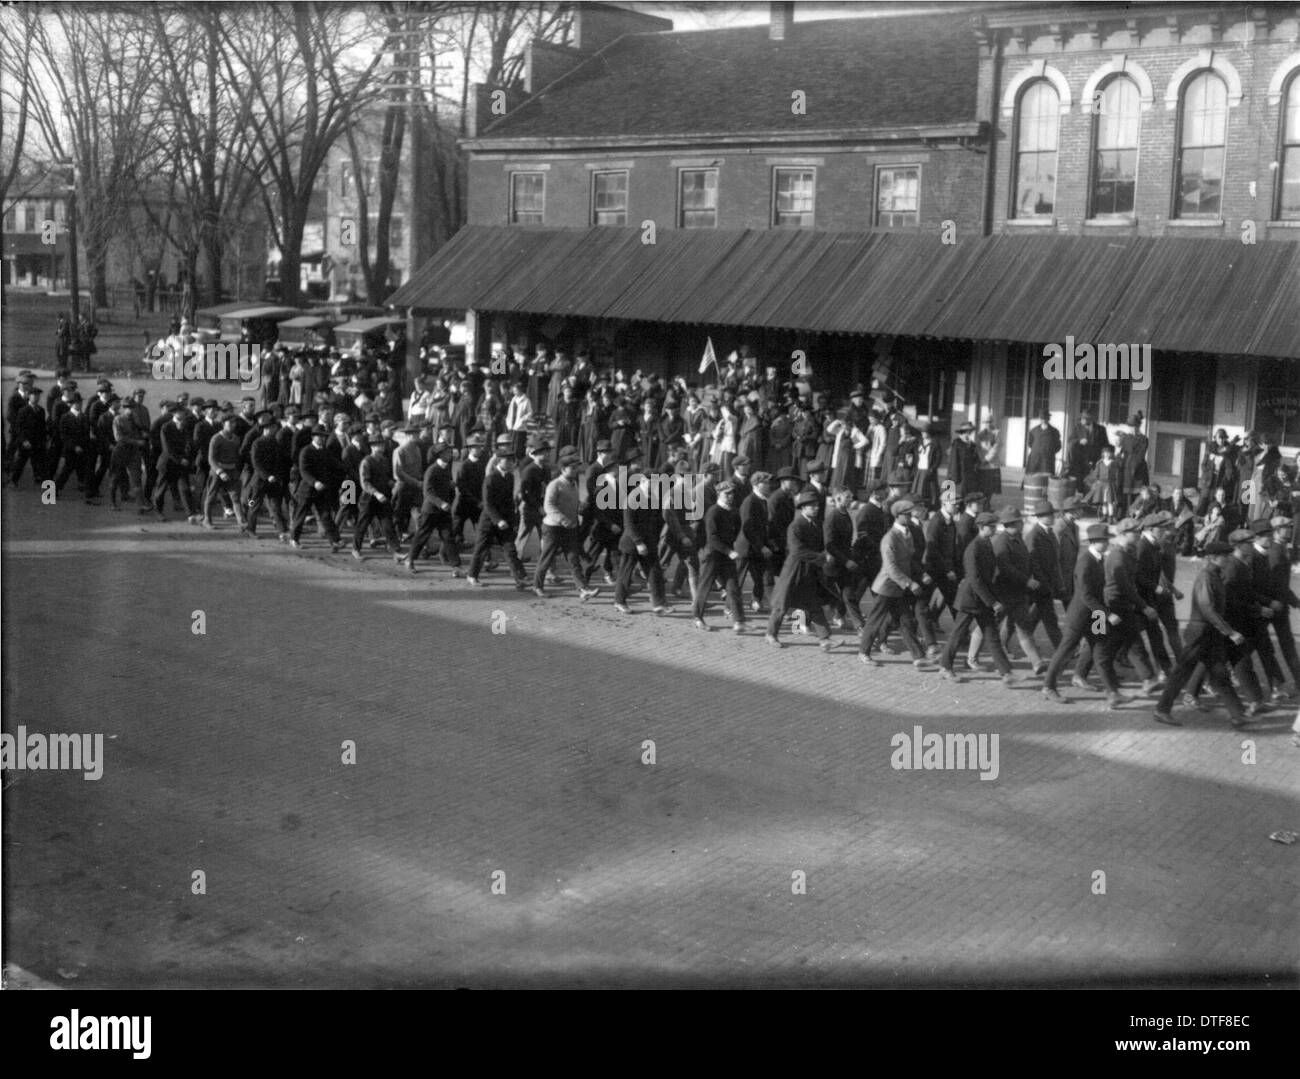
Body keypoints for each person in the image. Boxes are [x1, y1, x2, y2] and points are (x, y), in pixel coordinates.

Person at [1152, 541, 1252, 728]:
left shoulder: (1215, 575)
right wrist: (1229, 632)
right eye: (1225, 556)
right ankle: (1161, 710)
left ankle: (1237, 715)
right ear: (1213, 558)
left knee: (1220, 674)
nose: (1228, 559)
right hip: (1199, 632)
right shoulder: (1206, 576)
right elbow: (1207, 608)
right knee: (1181, 673)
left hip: (1209, 633)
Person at [1040, 523, 1131, 709]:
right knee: (1065, 650)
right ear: (1095, 542)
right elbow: (1086, 595)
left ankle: (1104, 688)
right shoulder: (1085, 561)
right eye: (1105, 541)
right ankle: (1048, 686)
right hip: (1080, 616)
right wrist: (1107, 615)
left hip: (1095, 616)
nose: (1108, 544)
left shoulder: (1098, 559)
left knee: (1100, 649)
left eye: (1108, 540)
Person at [937, 511, 1014, 684]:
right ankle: (945, 667)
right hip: (970, 600)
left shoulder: (986, 543)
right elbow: (975, 579)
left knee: (992, 636)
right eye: (991, 526)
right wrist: (992, 602)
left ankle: (1006, 672)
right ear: (981, 527)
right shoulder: (974, 548)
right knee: (957, 634)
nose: (995, 529)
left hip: (981, 600)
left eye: (995, 526)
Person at [858, 499, 930, 670]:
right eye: (907, 514)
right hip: (886, 587)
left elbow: (911, 559)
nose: (911, 516)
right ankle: (863, 652)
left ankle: (919, 657)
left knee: (905, 621)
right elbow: (891, 568)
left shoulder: (907, 533)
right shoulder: (889, 538)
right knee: (875, 621)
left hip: (899, 588)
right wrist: (910, 583)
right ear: (898, 516)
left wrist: (921, 573)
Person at [764, 488, 837, 651]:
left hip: (808, 571)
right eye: (811, 506)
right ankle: (770, 634)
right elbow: (797, 551)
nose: (816, 508)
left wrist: (824, 554)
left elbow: (819, 546)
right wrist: (821, 558)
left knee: (814, 604)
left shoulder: (816, 525)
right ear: (803, 508)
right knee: (782, 604)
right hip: (794, 570)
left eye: (817, 505)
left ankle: (825, 639)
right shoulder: (796, 526)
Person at [535, 452, 600, 601]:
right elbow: (549, 506)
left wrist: (580, 508)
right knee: (546, 558)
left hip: (569, 528)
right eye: (572, 468)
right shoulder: (555, 484)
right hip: (553, 528)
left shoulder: (574, 483)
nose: (576, 470)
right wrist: (564, 520)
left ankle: (583, 589)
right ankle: (537, 586)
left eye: (577, 467)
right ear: (563, 469)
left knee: (573, 560)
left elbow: (573, 503)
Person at [613, 465, 671, 615]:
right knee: (626, 573)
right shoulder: (634, 497)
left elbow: (657, 519)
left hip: (649, 541)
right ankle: (619, 602)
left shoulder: (653, 496)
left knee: (655, 573)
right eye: (653, 481)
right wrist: (639, 543)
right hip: (632, 543)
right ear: (643, 480)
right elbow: (629, 524)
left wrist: (655, 539)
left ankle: (658, 604)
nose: (656, 484)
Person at [466, 449, 527, 589]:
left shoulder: (510, 477)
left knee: (510, 549)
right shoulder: (491, 478)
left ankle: (520, 578)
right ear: (499, 461)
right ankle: (472, 575)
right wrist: (498, 520)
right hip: (489, 522)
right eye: (507, 460)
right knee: (481, 549)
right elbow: (487, 503)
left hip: (504, 522)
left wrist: (512, 520)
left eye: (512, 461)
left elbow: (509, 501)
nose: (511, 463)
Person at [693, 480, 746, 633]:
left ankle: (739, 621)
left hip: (726, 556)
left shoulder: (733, 511)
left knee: (733, 588)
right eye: (726, 494)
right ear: (719, 494)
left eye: (731, 493)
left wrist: (730, 550)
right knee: (705, 587)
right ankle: (697, 617)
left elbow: (736, 530)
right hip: (713, 555)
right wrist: (729, 551)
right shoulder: (713, 512)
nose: (730, 496)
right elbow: (712, 538)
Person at [289, 427, 344, 552]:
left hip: (322, 490)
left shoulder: (325, 451)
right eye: (319, 436)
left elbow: (334, 464)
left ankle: (335, 540)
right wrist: (314, 482)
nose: (322, 438)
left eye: (324, 436)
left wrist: (346, 468)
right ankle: (294, 539)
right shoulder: (306, 451)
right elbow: (304, 471)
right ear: (313, 437)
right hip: (307, 490)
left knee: (326, 515)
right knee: (300, 515)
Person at [352, 435, 401, 559]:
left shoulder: (384, 460)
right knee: (362, 525)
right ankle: (356, 549)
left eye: (383, 445)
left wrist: (392, 483)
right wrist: (376, 493)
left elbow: (385, 478)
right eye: (379, 445)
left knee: (388, 524)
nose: (382, 447)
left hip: (383, 498)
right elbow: (365, 482)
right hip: (369, 499)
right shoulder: (366, 461)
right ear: (372, 447)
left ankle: (396, 551)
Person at [1024, 408, 1061, 478]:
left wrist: (1049, 451)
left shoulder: (1054, 432)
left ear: (1048, 419)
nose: (1043, 420)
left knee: (1046, 481)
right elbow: (1030, 443)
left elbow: (1058, 446)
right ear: (1039, 419)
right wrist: (1038, 450)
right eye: (1042, 418)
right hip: (1035, 460)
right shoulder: (1033, 431)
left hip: (1047, 461)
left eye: (1045, 418)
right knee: (1033, 480)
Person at [976, 415, 1001, 498]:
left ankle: (987, 503)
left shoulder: (996, 433)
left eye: (989, 422)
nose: (988, 424)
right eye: (986, 422)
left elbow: (996, 448)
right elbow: (978, 447)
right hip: (982, 465)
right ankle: (983, 503)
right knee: (982, 486)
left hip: (992, 465)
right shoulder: (980, 434)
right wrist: (981, 459)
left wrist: (986, 460)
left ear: (992, 422)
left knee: (990, 488)